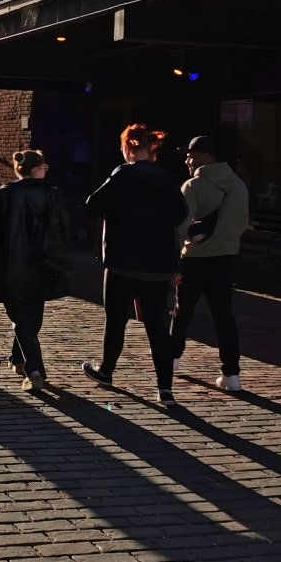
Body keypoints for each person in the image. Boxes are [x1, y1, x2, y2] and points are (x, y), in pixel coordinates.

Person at [82, 123, 187, 406]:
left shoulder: (122, 176)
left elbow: (92, 205)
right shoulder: (166, 181)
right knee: (157, 327)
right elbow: (180, 214)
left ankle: (106, 371)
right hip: (157, 264)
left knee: (116, 320)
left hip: (123, 262)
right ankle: (165, 388)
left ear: (128, 147)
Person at [0, 149, 71, 392]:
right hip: (44, 266)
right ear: (35, 169)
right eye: (43, 165)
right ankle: (19, 360)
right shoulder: (53, 196)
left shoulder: (4, 195)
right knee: (30, 316)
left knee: (22, 317)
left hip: (11, 267)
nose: (47, 168)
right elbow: (64, 232)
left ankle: (34, 369)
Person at [171, 136, 250, 391]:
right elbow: (241, 224)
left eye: (191, 155)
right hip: (226, 258)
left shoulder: (193, 185)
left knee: (183, 311)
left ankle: (171, 361)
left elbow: (180, 227)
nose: (187, 159)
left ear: (206, 156)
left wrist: (173, 258)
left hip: (194, 258)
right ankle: (232, 374)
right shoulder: (239, 186)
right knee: (224, 314)